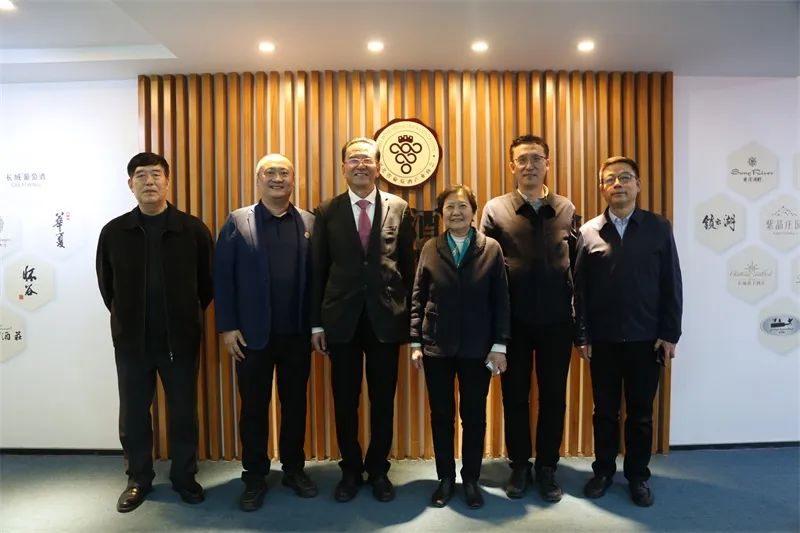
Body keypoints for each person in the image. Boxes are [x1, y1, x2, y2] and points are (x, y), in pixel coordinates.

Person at [96, 152, 213, 512]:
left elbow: (207, 285)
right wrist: (127, 320)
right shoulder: (114, 232)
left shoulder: (192, 230)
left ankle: (184, 476)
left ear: (168, 181)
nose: (149, 181)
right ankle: (138, 478)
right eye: (141, 175)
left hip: (180, 340)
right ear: (130, 184)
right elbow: (107, 286)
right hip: (132, 342)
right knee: (133, 414)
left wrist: (185, 318)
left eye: (156, 174)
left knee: (183, 412)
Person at [310, 137, 415, 503]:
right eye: (353, 160)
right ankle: (351, 469)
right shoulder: (327, 211)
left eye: (367, 160)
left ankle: (379, 469)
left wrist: (411, 322)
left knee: (383, 400)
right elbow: (318, 270)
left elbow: (409, 267)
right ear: (343, 168)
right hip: (341, 320)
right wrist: (316, 324)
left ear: (378, 167)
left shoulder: (399, 208)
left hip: (386, 319)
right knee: (345, 400)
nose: (360, 165)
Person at [574, 155, 683, 507]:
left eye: (625, 177)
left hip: (646, 339)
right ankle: (603, 471)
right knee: (604, 412)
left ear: (638, 184)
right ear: (601, 187)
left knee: (640, 414)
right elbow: (580, 290)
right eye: (610, 179)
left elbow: (672, 282)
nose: (617, 184)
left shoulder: (658, 227)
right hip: (603, 341)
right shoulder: (588, 232)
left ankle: (638, 476)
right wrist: (582, 334)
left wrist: (670, 333)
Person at [214, 154, 317, 511]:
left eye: (283, 172)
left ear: (293, 179)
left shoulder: (308, 221)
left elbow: (317, 280)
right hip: (252, 336)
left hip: (297, 334)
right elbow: (223, 277)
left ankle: (293, 469)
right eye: (269, 172)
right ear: (258, 179)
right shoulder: (238, 221)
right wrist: (228, 327)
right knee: (254, 408)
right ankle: (255, 475)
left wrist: (316, 325)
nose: (277, 178)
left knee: (295, 406)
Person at [479, 134, 578, 502]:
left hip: (557, 321)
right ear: (512, 166)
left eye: (537, 158)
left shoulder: (566, 207)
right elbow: (485, 267)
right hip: (513, 322)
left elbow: (577, 265)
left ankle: (548, 467)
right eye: (522, 159)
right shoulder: (495, 209)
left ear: (547, 164)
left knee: (554, 397)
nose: (530, 165)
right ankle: (520, 465)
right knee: (514, 396)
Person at [410, 184, 510, 509]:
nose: (456, 212)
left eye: (462, 206)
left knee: (474, 416)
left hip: (478, 348)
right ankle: (445, 478)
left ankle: (470, 480)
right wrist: (415, 341)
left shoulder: (491, 248)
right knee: (441, 416)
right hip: (436, 346)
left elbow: (501, 300)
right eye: (450, 207)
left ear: (473, 211)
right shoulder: (430, 247)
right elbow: (418, 296)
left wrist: (499, 345)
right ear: (442, 214)